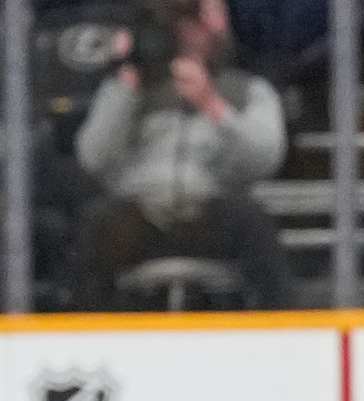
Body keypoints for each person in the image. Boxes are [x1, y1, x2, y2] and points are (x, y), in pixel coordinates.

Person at [72, 0, 289, 309]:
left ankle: (281, 337)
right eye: (186, 21)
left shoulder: (247, 89)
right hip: (137, 212)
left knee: (255, 223)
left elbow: (267, 157)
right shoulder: (128, 87)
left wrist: (212, 105)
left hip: (213, 210)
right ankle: (82, 342)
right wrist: (127, 84)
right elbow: (92, 157)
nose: (197, 32)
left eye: (204, 18)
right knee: (95, 225)